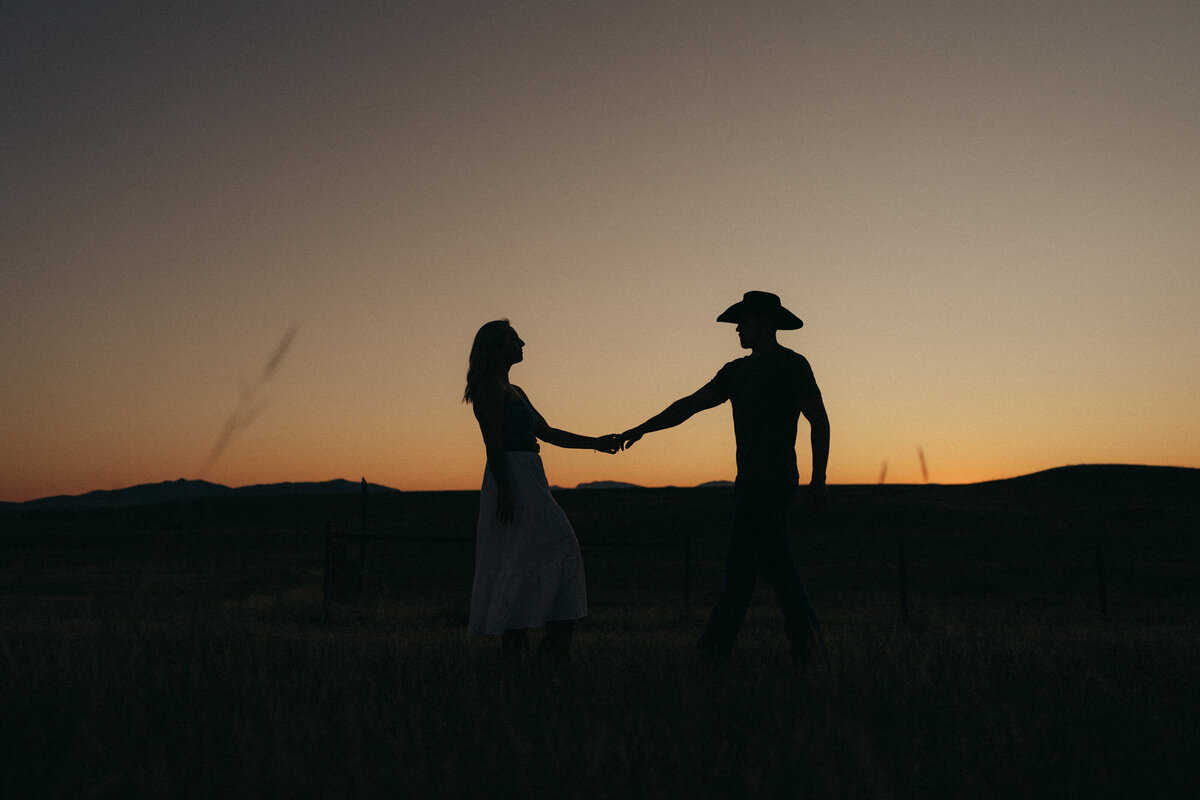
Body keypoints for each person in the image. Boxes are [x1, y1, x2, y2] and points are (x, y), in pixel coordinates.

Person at [620, 291, 830, 665]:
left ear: (763, 322)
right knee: (775, 567)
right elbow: (689, 404)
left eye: (743, 321)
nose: (737, 329)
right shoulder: (736, 372)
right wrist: (642, 429)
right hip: (749, 484)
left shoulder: (792, 365)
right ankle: (809, 651)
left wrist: (818, 480)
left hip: (775, 482)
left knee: (740, 573)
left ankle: (712, 657)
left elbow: (819, 420)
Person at [464, 319, 621, 661]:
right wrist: (506, 490)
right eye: (513, 338)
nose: (522, 342)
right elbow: (493, 444)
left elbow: (547, 433)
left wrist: (596, 443)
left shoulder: (516, 390)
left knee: (547, 552)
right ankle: (525, 645)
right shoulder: (490, 388)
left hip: (531, 475)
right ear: (496, 346)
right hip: (512, 476)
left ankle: (551, 645)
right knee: (527, 554)